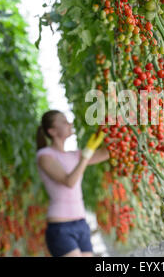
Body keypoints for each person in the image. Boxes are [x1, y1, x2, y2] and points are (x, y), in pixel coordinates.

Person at [36, 110, 109, 257]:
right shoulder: (45, 156)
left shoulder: (74, 155)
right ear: (52, 131)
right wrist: (85, 156)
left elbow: (107, 153)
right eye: (63, 121)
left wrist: (110, 129)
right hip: (61, 227)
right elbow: (69, 181)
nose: (69, 124)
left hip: (81, 223)